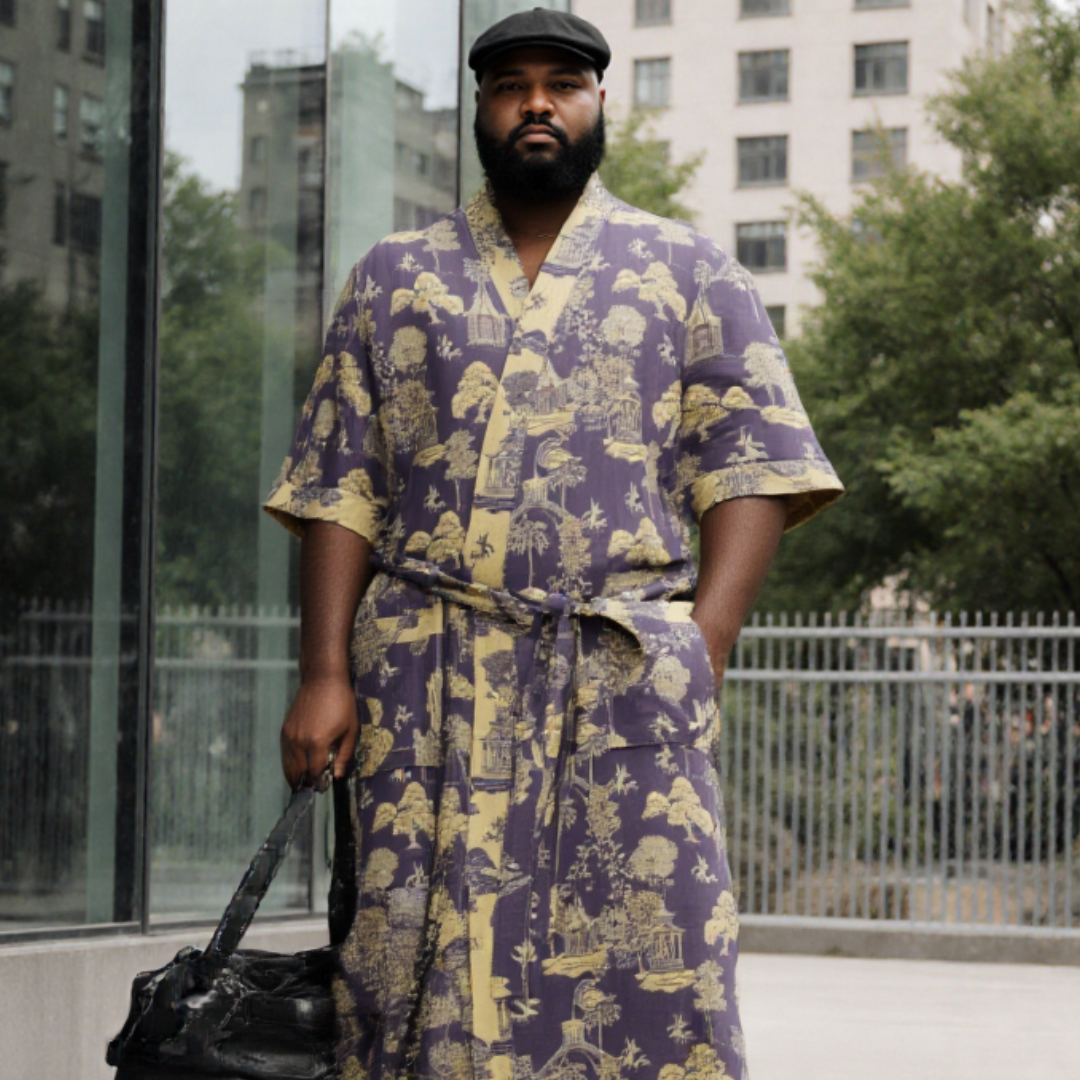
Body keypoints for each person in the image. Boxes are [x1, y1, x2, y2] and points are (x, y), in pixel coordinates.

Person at [264, 9, 843, 1080]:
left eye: (563, 84)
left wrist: (700, 646)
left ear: (599, 102)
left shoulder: (689, 271)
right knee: (407, 963)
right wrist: (323, 671)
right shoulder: (394, 278)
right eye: (510, 86)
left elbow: (754, 466)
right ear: (481, 111)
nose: (538, 103)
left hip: (621, 679)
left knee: (653, 964)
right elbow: (341, 487)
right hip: (425, 684)